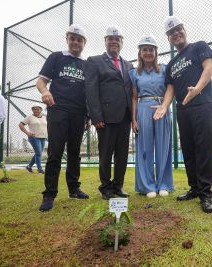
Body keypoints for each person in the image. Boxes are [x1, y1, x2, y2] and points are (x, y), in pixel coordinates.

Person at [161, 16, 212, 213]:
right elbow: (170, 89)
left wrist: (197, 90)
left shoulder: (199, 46)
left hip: (201, 104)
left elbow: (208, 68)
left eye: (178, 29)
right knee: (188, 149)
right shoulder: (171, 64)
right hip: (182, 109)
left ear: (184, 30)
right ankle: (194, 188)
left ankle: (206, 194)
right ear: (168, 38)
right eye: (171, 32)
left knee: (202, 148)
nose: (176, 34)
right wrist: (164, 106)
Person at [36, 24, 89, 212]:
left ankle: (74, 188)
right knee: (55, 152)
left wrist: (88, 116)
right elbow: (41, 80)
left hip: (79, 113)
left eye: (79, 39)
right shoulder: (56, 57)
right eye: (72, 38)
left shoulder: (86, 64)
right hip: (58, 110)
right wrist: (45, 92)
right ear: (67, 39)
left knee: (75, 153)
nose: (76, 42)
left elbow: (88, 91)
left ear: (84, 43)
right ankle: (49, 194)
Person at [85, 26, 133, 200]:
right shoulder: (94, 61)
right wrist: (95, 116)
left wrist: (133, 116)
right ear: (105, 42)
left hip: (125, 117)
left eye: (117, 39)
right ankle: (105, 188)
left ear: (121, 43)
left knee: (122, 154)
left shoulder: (129, 65)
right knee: (105, 154)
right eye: (110, 39)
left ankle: (118, 186)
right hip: (105, 118)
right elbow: (90, 90)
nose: (114, 42)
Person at [129, 34, 174, 198]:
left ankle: (163, 184)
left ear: (156, 52)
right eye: (144, 50)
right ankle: (148, 186)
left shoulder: (164, 68)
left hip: (161, 107)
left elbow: (171, 89)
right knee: (145, 148)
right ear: (140, 53)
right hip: (143, 108)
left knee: (163, 146)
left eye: (151, 50)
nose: (148, 52)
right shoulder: (134, 73)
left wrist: (164, 106)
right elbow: (134, 97)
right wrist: (133, 119)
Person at [19, 105, 47, 174]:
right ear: (32, 110)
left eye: (37, 109)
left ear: (41, 110)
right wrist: (27, 132)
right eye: (34, 109)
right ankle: (40, 169)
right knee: (38, 153)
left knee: (38, 153)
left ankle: (29, 167)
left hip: (43, 137)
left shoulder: (44, 116)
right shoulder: (29, 117)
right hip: (34, 138)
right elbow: (20, 125)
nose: (36, 110)